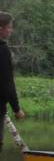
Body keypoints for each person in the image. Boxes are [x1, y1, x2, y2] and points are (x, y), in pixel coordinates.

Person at [0, 12, 25, 146]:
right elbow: (7, 82)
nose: (11, 30)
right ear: (1, 29)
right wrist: (16, 109)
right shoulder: (3, 50)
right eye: (9, 27)